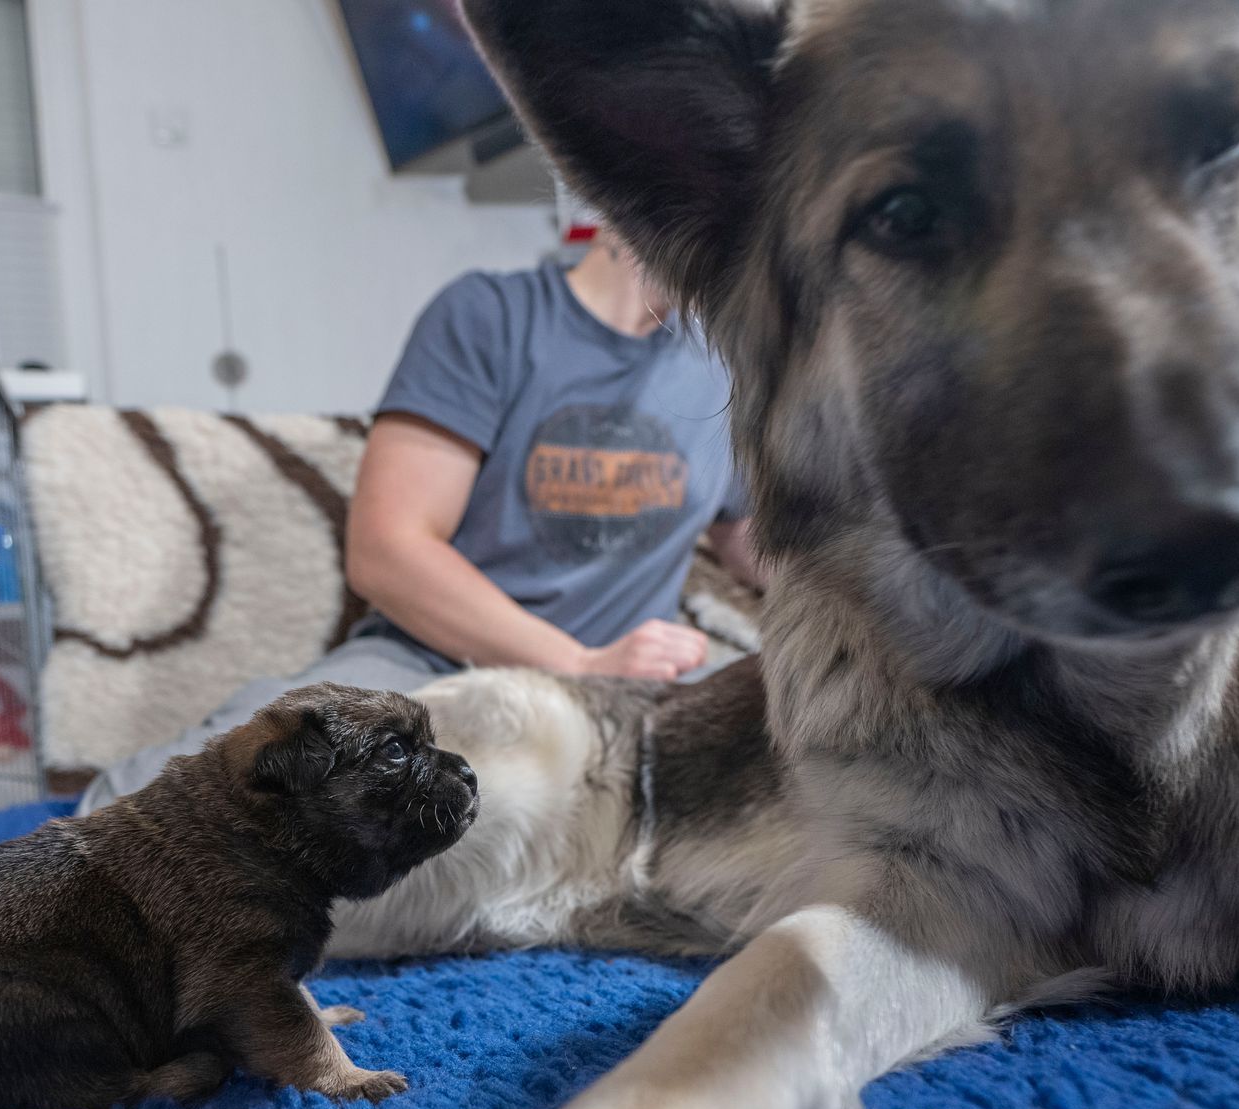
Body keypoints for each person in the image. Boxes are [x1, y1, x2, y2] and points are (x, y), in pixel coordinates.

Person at [77, 225, 763, 814]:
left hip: (634, 691)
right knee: (189, 797)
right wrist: (580, 665)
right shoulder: (492, 315)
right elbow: (389, 550)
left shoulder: (728, 363)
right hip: (435, 664)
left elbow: (760, 547)